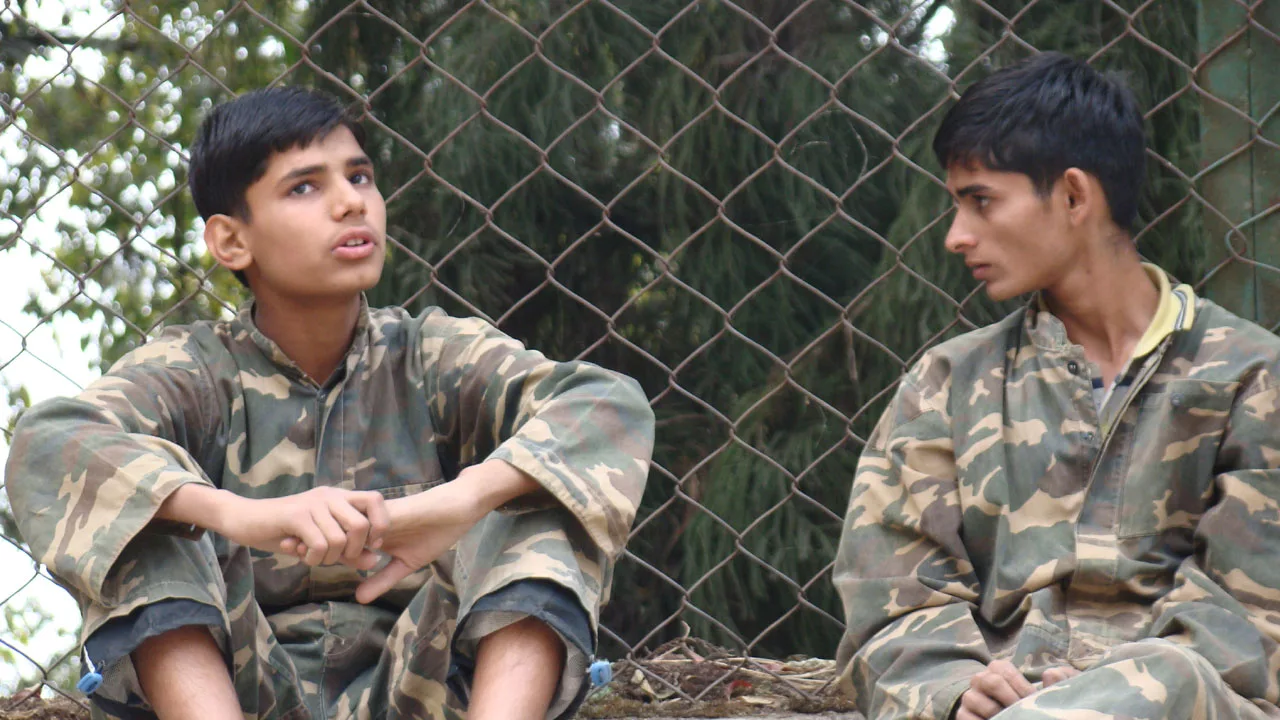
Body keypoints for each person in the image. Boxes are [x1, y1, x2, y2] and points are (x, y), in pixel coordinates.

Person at [4, 87, 655, 720]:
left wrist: (463, 500)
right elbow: (51, 440)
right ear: (232, 241)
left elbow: (606, 403)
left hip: (426, 688)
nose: (351, 203)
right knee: (148, 522)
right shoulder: (196, 369)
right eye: (305, 187)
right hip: (236, 687)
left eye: (361, 177)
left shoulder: (429, 353)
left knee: (535, 495)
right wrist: (237, 515)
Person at [833, 52, 1280, 720]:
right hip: (1004, 707)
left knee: (1172, 676)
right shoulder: (947, 384)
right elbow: (890, 600)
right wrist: (954, 688)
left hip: (1190, 702)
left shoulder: (1252, 376)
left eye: (981, 200)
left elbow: (1252, 621)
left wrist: (1095, 691)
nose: (956, 236)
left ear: (1074, 196)